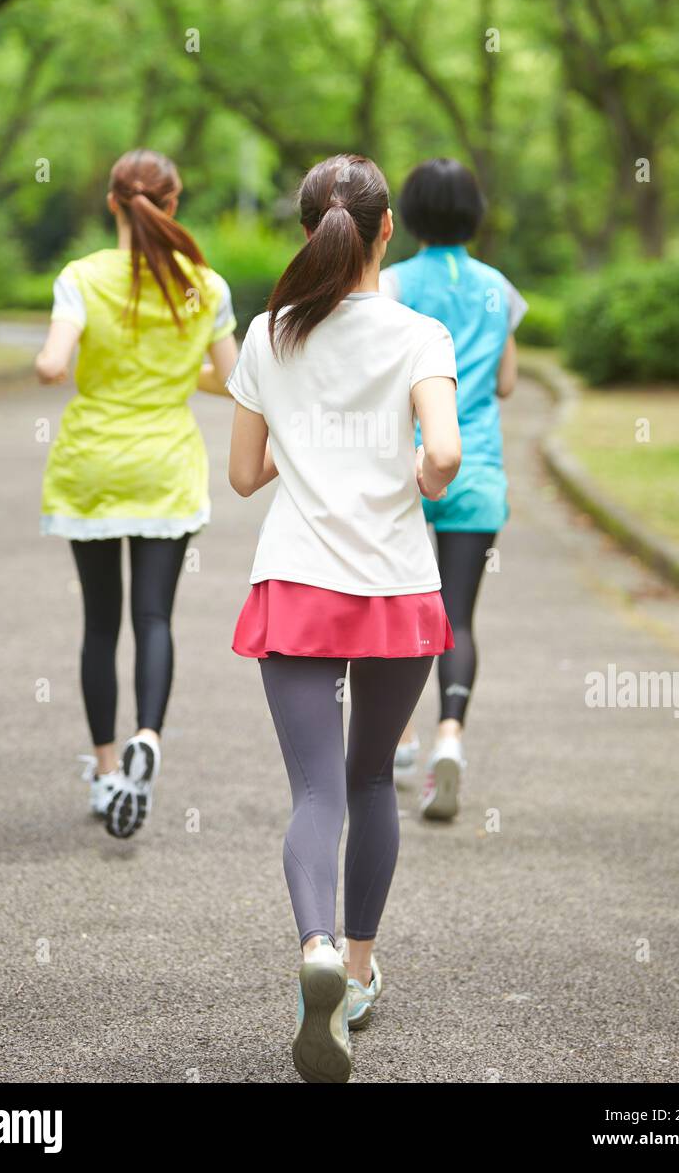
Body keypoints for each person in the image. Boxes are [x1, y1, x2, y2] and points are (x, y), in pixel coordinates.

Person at [226, 154, 460, 1083]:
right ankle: (357, 970)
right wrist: (409, 476)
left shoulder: (266, 334)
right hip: (395, 588)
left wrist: (308, 450)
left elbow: (245, 475)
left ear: (306, 227)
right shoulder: (418, 333)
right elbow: (442, 451)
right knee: (370, 782)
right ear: (386, 229)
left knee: (315, 793)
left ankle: (314, 948)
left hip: (297, 581)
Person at [36, 149, 238, 838]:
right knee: (155, 619)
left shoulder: (81, 278)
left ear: (112, 203)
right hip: (166, 467)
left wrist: (52, 358)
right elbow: (232, 379)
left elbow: (54, 363)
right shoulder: (202, 287)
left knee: (100, 623)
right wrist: (180, 370)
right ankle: (147, 736)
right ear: (172, 205)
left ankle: (103, 771)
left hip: (92, 466)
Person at [380, 158, 527, 821]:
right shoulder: (499, 288)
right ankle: (451, 739)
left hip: (404, 467)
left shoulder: (391, 284)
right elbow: (504, 383)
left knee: (397, 605)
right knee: (457, 614)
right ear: (474, 214)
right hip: (478, 466)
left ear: (406, 217)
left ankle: (400, 737)